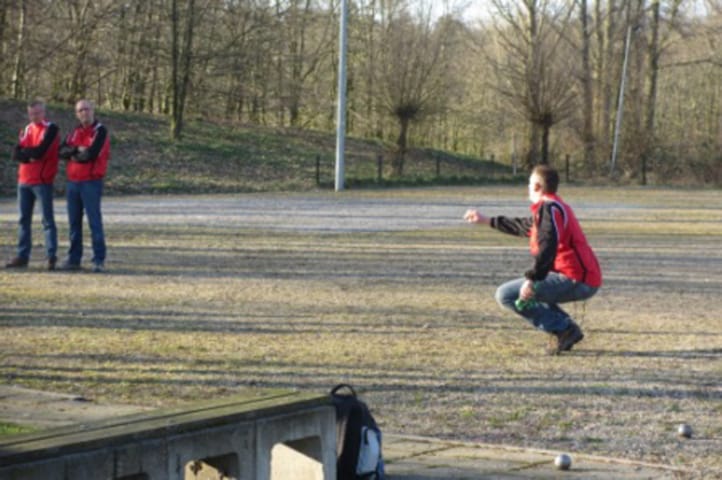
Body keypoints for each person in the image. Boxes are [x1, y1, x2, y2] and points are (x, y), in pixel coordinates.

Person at [464, 165, 602, 355]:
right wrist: (487, 220)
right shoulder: (552, 208)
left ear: (537, 187)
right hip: (582, 277)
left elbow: (548, 246)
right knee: (532, 293)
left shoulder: (550, 209)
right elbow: (524, 226)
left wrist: (532, 280)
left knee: (506, 294)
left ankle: (564, 329)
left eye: (529, 184)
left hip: (576, 278)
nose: (527, 188)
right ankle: (565, 329)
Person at [6, 100, 60, 270]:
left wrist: (27, 153)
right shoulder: (27, 129)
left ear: (44, 112)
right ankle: (23, 256)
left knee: (47, 220)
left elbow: (40, 152)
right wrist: (29, 155)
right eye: (31, 114)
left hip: (42, 181)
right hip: (24, 180)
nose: (34, 116)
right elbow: (15, 154)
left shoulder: (51, 129)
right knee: (23, 220)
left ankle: (51, 256)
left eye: (37, 113)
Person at [58, 99, 110, 273]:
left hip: (91, 182)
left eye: (86, 109)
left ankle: (98, 259)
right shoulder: (74, 131)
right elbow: (61, 151)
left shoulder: (100, 131)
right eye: (80, 110)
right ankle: (74, 259)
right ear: (76, 113)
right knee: (74, 223)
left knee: (94, 222)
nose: (83, 113)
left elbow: (91, 154)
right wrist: (76, 150)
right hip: (73, 182)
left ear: (93, 110)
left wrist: (74, 153)